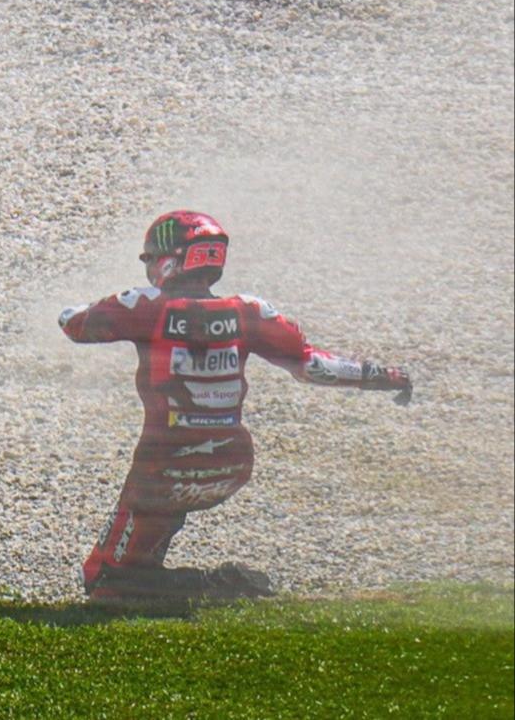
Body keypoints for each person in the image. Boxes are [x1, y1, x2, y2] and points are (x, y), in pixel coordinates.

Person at [58, 210, 413, 602]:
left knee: (105, 583)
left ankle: (219, 588)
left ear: (169, 260)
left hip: (162, 466)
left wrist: (106, 305)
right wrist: (381, 375)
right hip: (230, 463)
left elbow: (74, 324)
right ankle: (173, 582)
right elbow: (312, 364)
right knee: (137, 558)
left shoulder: (145, 307)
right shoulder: (248, 313)